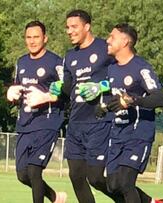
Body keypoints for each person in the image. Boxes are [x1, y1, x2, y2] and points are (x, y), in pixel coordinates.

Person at [78, 23, 163, 203]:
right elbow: (115, 98)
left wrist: (133, 100)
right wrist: (102, 107)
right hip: (117, 134)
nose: (108, 40)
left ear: (125, 41)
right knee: (113, 185)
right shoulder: (111, 69)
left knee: (126, 183)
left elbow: (159, 99)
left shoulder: (141, 67)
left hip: (138, 134)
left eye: (112, 37)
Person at [49, 9, 123, 203]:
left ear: (87, 27)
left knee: (96, 178)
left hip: (99, 121)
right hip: (76, 123)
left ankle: (135, 199)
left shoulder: (104, 48)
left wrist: (103, 86)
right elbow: (68, 89)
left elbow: (125, 73)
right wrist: (58, 88)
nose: (69, 31)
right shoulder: (69, 56)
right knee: (76, 176)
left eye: (74, 26)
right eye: (67, 27)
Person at [6, 20, 67, 203]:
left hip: (47, 122)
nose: (32, 41)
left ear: (45, 38)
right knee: (23, 175)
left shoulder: (55, 62)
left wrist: (47, 96)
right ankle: (55, 197)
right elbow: (18, 87)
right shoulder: (21, 62)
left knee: (34, 169)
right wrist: (11, 92)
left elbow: (67, 88)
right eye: (29, 37)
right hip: (25, 123)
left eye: (36, 37)